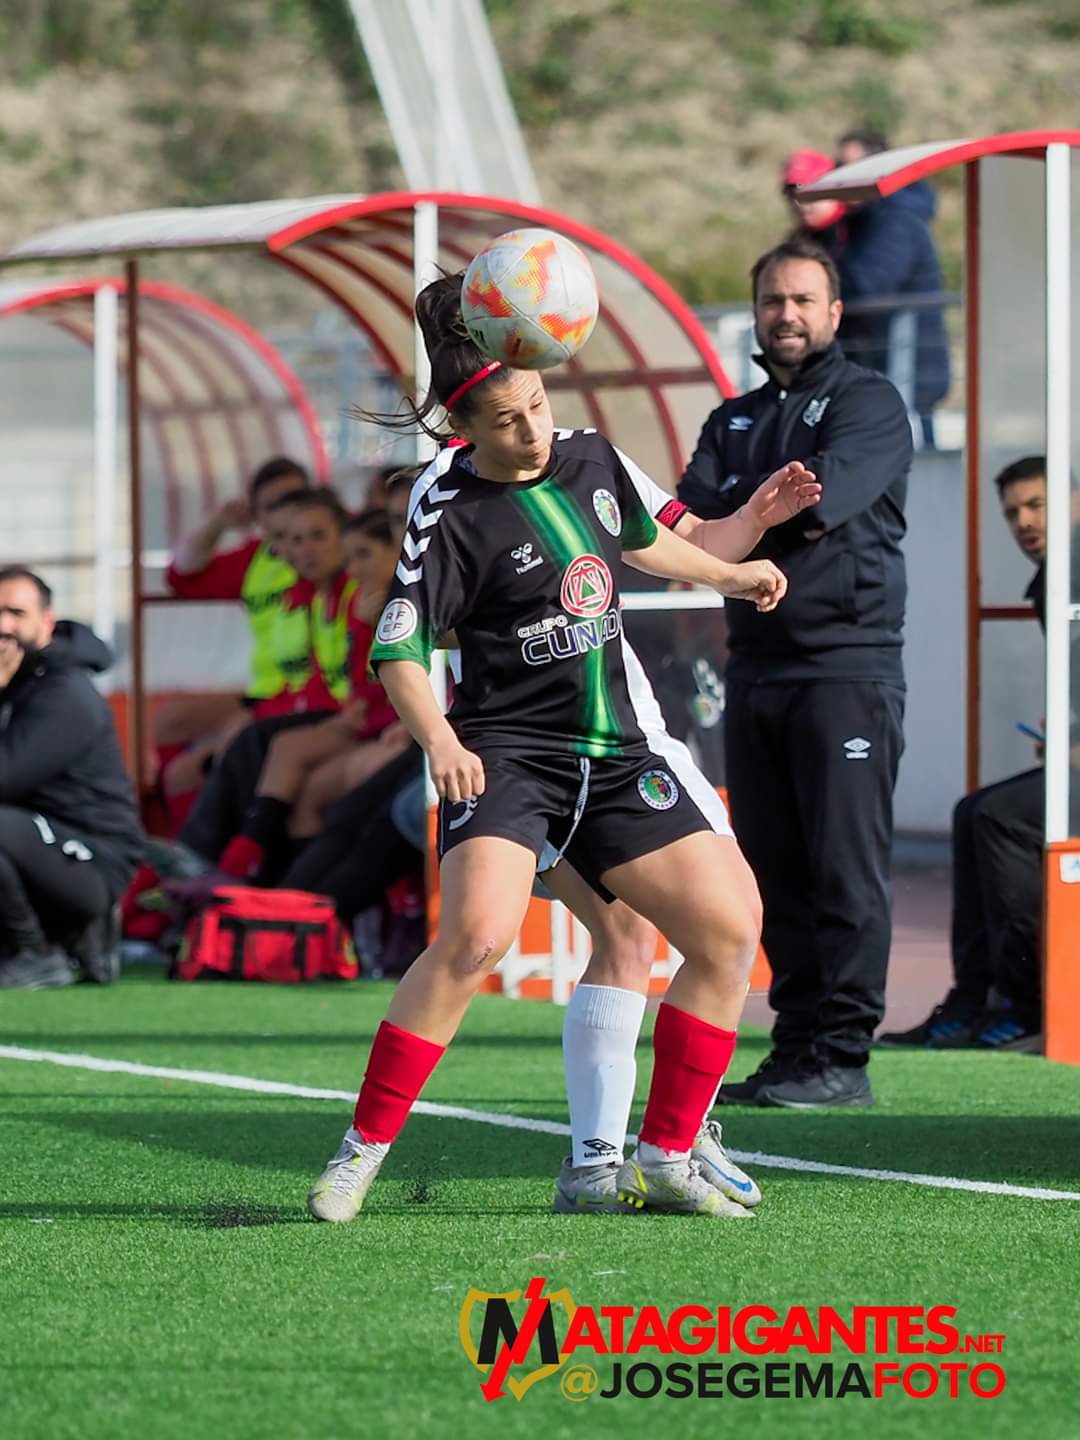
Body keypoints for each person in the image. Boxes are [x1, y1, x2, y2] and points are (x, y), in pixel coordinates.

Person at [306, 270, 787, 1224]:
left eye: (536, 405)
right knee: (477, 936)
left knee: (730, 932)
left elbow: (645, 540)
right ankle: (361, 1154)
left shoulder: (593, 459)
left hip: (616, 752)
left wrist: (733, 574)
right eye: (506, 419)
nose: (530, 429)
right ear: (464, 429)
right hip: (507, 754)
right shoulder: (449, 504)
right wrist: (439, 738)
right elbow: (397, 648)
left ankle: (664, 1154)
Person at [678, 237, 913, 1109]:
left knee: (844, 867)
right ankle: (797, 1047)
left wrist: (733, 527)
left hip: (845, 667)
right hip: (758, 667)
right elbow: (687, 528)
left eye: (804, 300)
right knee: (775, 869)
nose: (787, 315)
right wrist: (728, 528)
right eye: (774, 300)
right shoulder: (730, 418)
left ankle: (843, 1057)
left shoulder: (872, 404)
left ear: (835, 313)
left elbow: (802, 511)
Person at [879, 456, 1076, 1052]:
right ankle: (975, 999)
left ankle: (1027, 1003)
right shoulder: (1050, 581)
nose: (1024, 522)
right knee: (973, 812)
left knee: (999, 817)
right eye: (1013, 512)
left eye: (1036, 506)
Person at [0, 568, 142, 989]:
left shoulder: (65, 693)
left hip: (89, 861)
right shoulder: (15, 684)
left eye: (15, 613)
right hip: (30, 845)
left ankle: (37, 953)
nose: (3, 626)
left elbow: (4, 777)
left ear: (46, 623)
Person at [832, 128, 951, 448]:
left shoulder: (894, 221)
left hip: (901, 375)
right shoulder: (867, 221)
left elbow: (867, 284)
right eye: (837, 166)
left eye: (849, 167)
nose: (840, 177)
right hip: (886, 374)